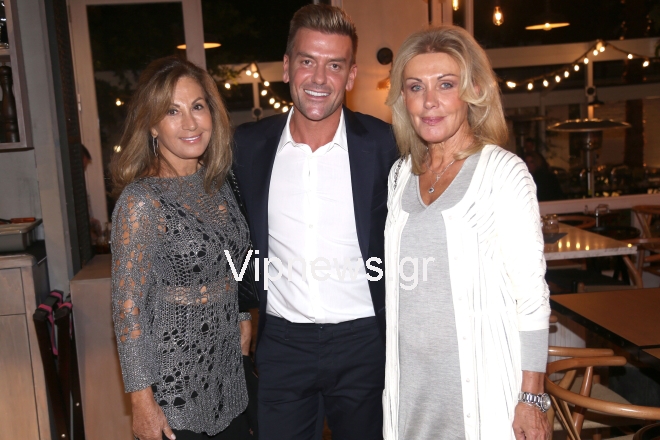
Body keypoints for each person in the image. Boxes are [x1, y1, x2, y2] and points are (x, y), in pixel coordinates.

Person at [232, 4, 398, 440]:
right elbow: (227, 232)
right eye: (308, 61)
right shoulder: (247, 147)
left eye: (334, 65)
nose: (320, 78)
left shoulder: (385, 145)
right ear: (287, 67)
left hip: (365, 342)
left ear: (351, 75)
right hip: (282, 345)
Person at [382, 26, 551, 440]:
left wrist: (531, 398)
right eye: (416, 87)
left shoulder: (503, 173)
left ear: (473, 91)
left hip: (482, 394)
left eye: (445, 84)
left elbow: (532, 296)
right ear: (403, 98)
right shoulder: (400, 175)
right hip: (411, 391)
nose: (430, 101)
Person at [110, 56, 253, 440]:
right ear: (152, 124)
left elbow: (232, 258)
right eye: (172, 111)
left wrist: (242, 314)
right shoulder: (142, 201)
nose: (190, 123)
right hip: (174, 388)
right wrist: (142, 402)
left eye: (197, 106)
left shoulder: (218, 183)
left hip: (229, 376)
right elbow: (128, 310)